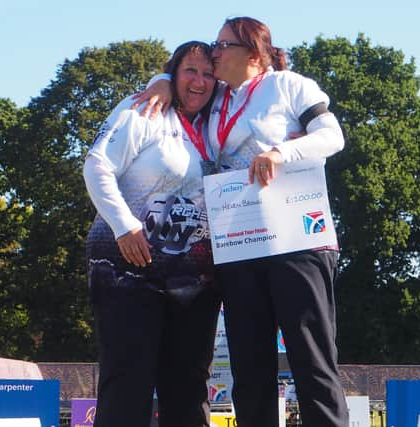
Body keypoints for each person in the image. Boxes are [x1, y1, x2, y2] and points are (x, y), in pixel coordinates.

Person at [134, 17, 349, 427]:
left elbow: (332, 136)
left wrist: (280, 153)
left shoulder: (289, 85)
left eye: (221, 45)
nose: (213, 52)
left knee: (311, 360)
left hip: (296, 241)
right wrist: (162, 79)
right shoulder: (218, 99)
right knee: (250, 370)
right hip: (239, 244)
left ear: (253, 53)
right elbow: (183, 82)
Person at [83, 41, 220, 427]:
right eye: (190, 71)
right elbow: (96, 167)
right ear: (173, 73)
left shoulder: (218, 125)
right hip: (128, 267)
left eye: (209, 74)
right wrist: (124, 226)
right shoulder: (144, 108)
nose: (200, 81)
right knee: (128, 385)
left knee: (189, 390)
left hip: (196, 280)